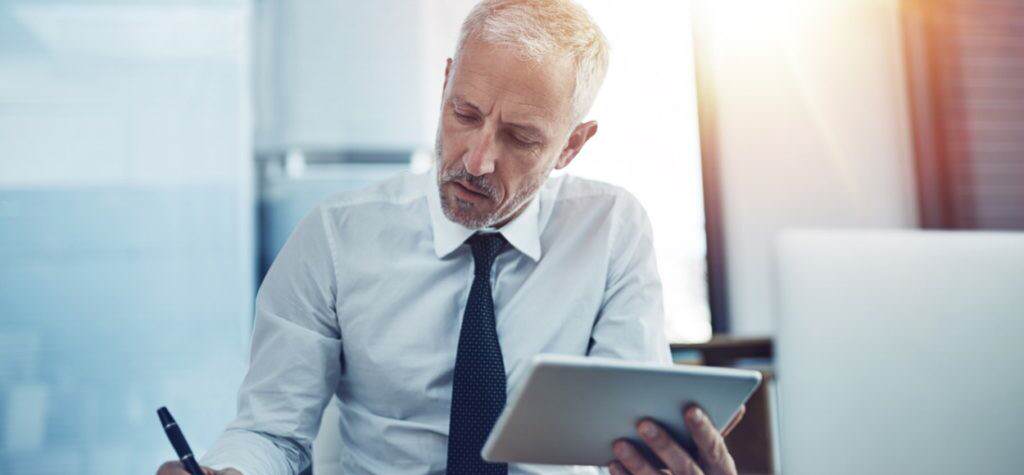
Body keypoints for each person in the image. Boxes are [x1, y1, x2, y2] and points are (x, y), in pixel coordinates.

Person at [157, 1, 742, 474]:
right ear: (444, 85)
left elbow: (628, 434)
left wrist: (663, 464)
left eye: (521, 137)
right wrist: (228, 473)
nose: (478, 160)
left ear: (571, 145)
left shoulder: (610, 227)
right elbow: (271, 433)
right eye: (465, 114)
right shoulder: (335, 237)